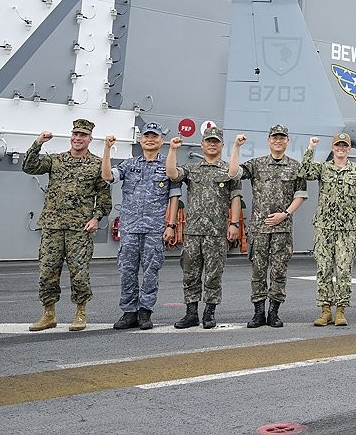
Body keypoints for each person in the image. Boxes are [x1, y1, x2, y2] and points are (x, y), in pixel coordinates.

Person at [22, 118, 111, 332]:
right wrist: (38, 143)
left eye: (82, 135)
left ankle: (80, 313)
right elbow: (29, 167)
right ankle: (48, 314)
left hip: (80, 229)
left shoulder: (98, 164)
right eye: (75, 134)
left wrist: (96, 218)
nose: (78, 138)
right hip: (52, 226)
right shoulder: (56, 160)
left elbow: (104, 197)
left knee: (79, 273)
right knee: (47, 272)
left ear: (90, 139)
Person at [165, 125, 242, 329]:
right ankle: (191, 313)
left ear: (221, 145)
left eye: (216, 142)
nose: (212, 145)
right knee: (190, 273)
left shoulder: (228, 169)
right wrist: (172, 149)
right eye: (209, 141)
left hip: (216, 232)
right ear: (202, 144)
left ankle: (209, 313)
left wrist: (234, 224)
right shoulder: (192, 169)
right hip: (193, 232)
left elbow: (235, 197)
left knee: (213, 274)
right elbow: (172, 174)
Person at [102, 122, 175, 330]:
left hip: (154, 228)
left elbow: (174, 196)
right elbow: (108, 176)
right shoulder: (128, 164)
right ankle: (129, 312)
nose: (150, 139)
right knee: (127, 270)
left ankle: (145, 312)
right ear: (140, 140)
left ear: (161, 141)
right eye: (146, 136)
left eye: (154, 136)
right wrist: (107, 149)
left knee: (151, 271)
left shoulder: (166, 164)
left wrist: (170, 225)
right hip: (130, 228)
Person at [234, 124, 308, 328]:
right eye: (274, 137)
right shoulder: (256, 164)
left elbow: (300, 195)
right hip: (259, 229)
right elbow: (234, 173)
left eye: (282, 137)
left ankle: (274, 313)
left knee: (279, 271)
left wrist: (284, 214)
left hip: (282, 230)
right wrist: (236, 147)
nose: (278, 140)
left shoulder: (295, 166)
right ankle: (258, 313)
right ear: (268, 140)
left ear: (287, 141)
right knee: (258, 271)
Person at [301, 133, 356, 326]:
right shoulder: (323, 168)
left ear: (349, 149)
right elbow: (304, 172)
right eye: (338, 145)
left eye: (344, 146)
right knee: (323, 270)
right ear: (333, 148)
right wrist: (311, 148)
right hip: (324, 227)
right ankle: (325, 311)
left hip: (346, 230)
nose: (341, 148)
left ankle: (340, 310)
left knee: (344, 270)